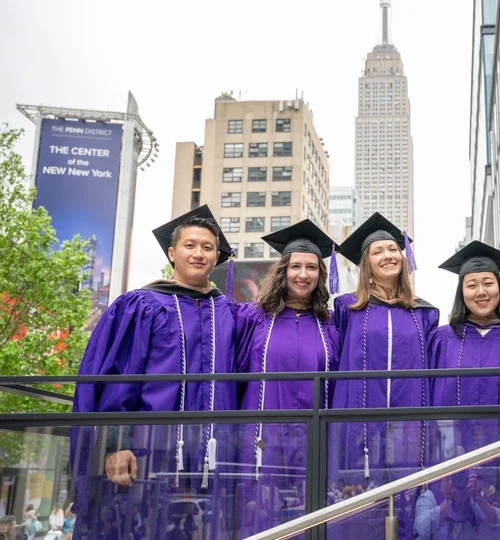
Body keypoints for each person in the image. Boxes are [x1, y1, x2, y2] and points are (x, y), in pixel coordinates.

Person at [70, 205, 239, 539]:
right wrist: (114, 444)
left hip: (212, 460)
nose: (199, 253)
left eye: (207, 247)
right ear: (172, 252)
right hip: (146, 458)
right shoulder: (141, 305)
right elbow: (118, 379)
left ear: (217, 257)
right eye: (190, 245)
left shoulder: (229, 313)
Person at [328, 213, 439, 540]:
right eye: (378, 251)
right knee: (360, 516)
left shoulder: (424, 313)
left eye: (393, 249)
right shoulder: (347, 308)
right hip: (358, 431)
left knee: (408, 513)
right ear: (366, 264)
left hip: (410, 432)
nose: (388, 255)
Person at [428, 241, 500, 539]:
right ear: (461, 291)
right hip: (451, 463)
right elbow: (427, 400)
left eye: (488, 283)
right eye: (472, 285)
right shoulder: (442, 340)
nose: (481, 292)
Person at [235, 220, 340, 535]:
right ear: (283, 270)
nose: (303, 274)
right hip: (261, 443)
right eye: (296, 266)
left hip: (314, 445)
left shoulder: (330, 325)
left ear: (320, 275)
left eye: (311, 267)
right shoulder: (253, 318)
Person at [413, 471, 500, 540]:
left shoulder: (470, 501)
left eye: (458, 478)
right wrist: (449, 501)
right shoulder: (429, 497)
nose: (454, 482)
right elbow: (422, 529)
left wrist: (478, 498)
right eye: (449, 478)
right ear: (442, 479)